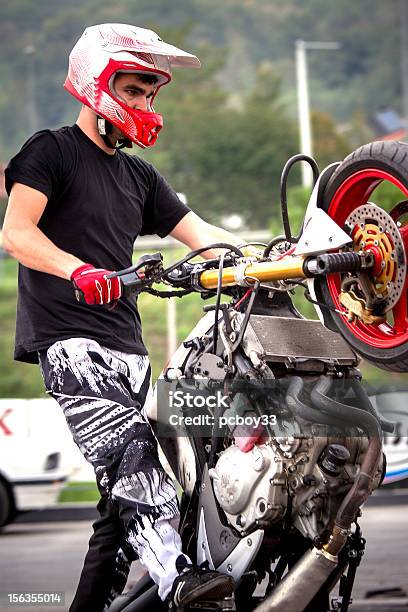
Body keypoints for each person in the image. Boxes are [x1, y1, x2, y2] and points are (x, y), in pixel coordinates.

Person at [2, 23, 250, 612]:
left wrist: (264, 260)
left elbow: (201, 235)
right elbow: (15, 233)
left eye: (150, 95)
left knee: (118, 515)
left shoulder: (139, 176)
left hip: (128, 350)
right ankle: (183, 582)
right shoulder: (51, 150)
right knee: (133, 458)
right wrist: (80, 271)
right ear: (98, 85)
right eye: (134, 91)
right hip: (69, 344)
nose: (146, 106)